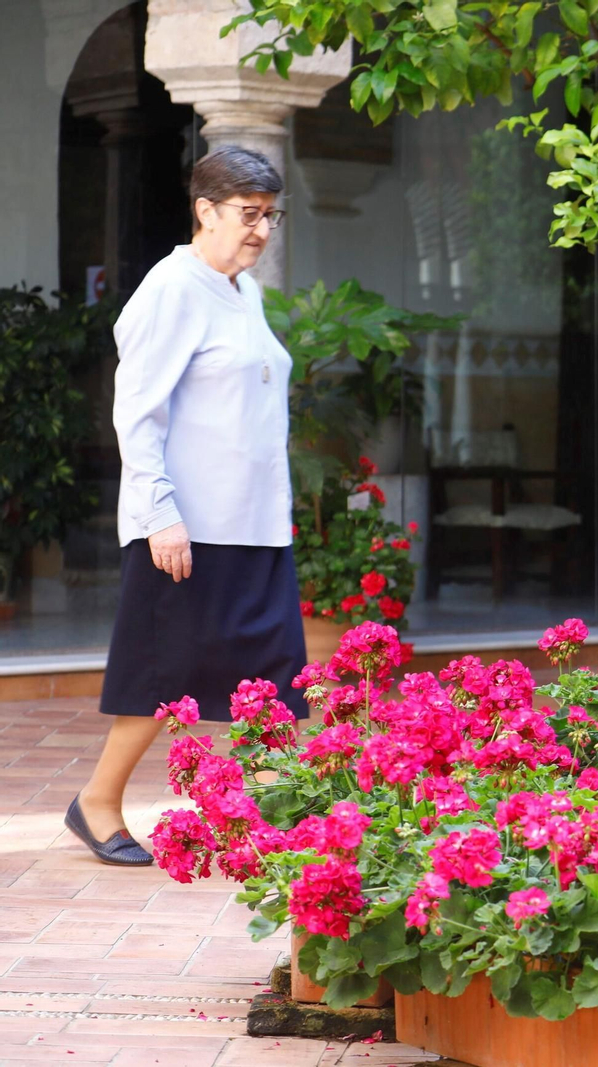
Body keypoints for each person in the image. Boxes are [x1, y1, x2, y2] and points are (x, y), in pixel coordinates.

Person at [66, 145, 308, 866]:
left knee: (270, 678)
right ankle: (98, 801)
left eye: (270, 216)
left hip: (256, 523)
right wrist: (160, 513)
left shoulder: (244, 292)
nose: (261, 231)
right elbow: (137, 413)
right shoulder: (171, 288)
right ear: (205, 211)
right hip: (187, 526)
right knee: (159, 674)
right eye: (248, 215)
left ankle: (269, 818)